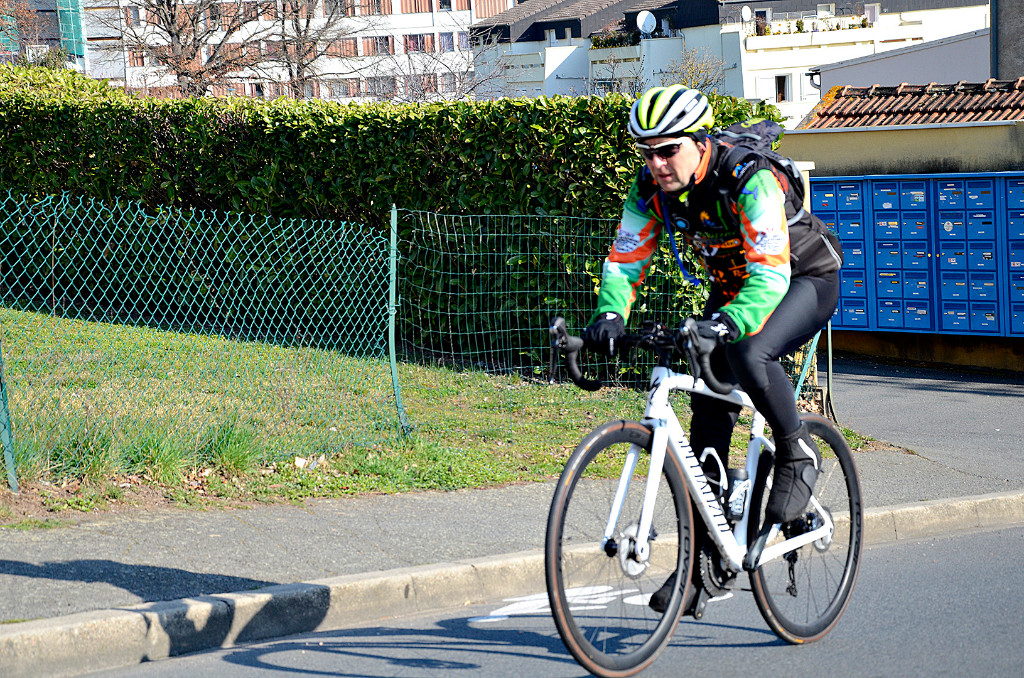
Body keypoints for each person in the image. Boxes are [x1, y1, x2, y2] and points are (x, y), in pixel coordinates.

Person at [582, 85, 843, 618]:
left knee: (749, 352)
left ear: (699, 142)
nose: (656, 164)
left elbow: (770, 274)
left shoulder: (748, 178)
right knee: (706, 408)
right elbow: (626, 258)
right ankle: (703, 565)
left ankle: (797, 451)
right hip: (735, 290)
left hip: (802, 279)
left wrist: (726, 324)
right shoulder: (651, 189)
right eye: (646, 153)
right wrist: (610, 315)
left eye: (667, 150)